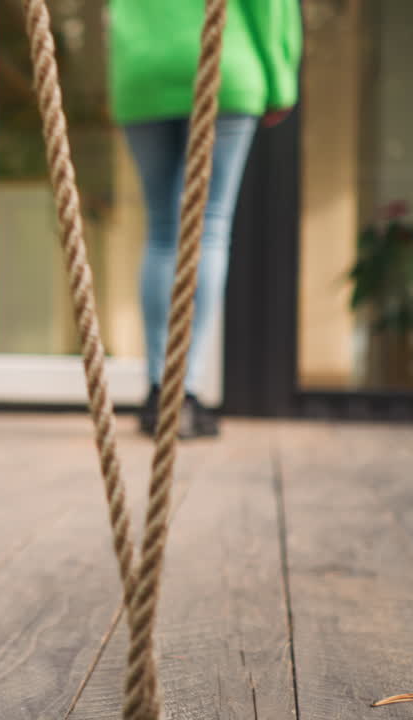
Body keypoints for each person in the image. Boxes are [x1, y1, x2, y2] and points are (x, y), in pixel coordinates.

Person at [107, 0, 302, 438]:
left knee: (161, 232)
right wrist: (280, 81)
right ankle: (185, 391)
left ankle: (161, 387)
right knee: (207, 228)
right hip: (223, 64)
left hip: (142, 67)